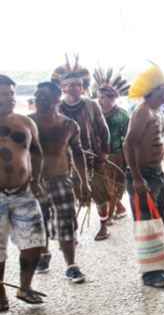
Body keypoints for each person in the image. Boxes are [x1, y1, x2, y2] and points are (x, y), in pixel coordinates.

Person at [30, 82, 90, 283]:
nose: (40, 102)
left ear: (57, 100)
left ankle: (71, 266)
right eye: (37, 98)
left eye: (45, 98)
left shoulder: (68, 125)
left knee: (66, 222)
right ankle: (43, 254)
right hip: (33, 182)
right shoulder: (27, 124)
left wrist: (84, 182)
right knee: (39, 223)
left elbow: (78, 154)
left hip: (61, 180)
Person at [52, 57, 111, 242]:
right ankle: (73, 231)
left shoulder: (91, 105)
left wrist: (103, 154)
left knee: (100, 194)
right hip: (66, 161)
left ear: (83, 86)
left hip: (92, 158)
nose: (74, 87)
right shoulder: (57, 107)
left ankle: (103, 226)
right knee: (71, 196)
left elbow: (103, 130)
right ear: (63, 87)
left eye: (78, 84)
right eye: (69, 84)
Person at [0, 74, 46, 310]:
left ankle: (25, 287)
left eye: (11, 94)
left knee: (34, 243)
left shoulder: (25, 123)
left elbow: (37, 153)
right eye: (4, 93)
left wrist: (37, 179)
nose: (9, 98)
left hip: (24, 192)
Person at [123, 64, 164, 288]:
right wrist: (136, 178)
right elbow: (129, 143)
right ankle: (150, 274)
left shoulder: (156, 112)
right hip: (143, 175)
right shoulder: (141, 112)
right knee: (146, 223)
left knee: (159, 220)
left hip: (156, 173)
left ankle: (159, 266)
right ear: (153, 91)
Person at [92, 68, 130, 223]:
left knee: (115, 186)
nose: (100, 100)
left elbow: (127, 138)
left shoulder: (122, 115)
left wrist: (127, 159)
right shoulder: (94, 112)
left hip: (116, 155)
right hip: (98, 155)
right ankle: (117, 209)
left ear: (113, 98)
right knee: (103, 186)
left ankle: (111, 214)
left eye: (103, 97)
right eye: (99, 97)